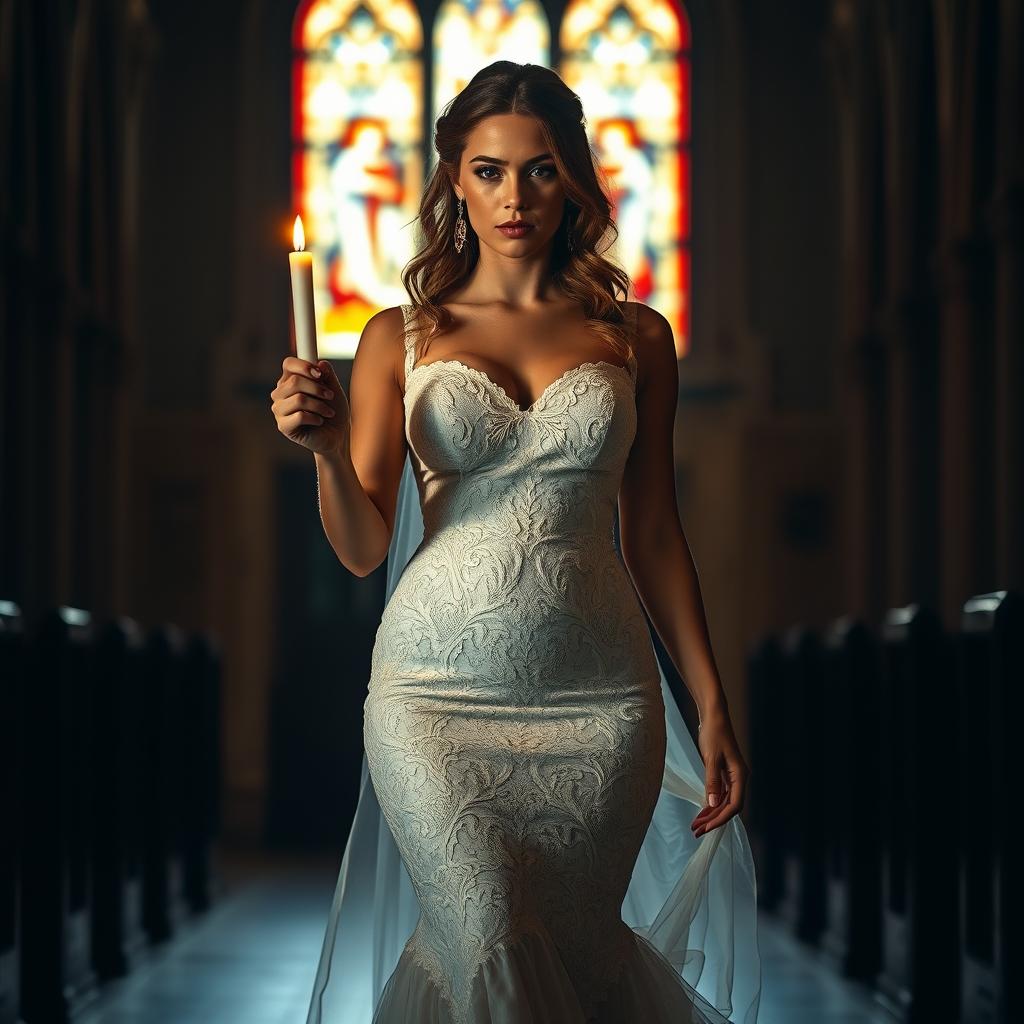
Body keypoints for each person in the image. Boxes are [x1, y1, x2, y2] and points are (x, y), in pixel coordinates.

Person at [271, 61, 761, 1024]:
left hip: (603, 701)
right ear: (455, 176)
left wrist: (708, 702)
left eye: (540, 171)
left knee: (573, 960)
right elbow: (364, 549)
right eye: (489, 171)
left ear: (573, 179)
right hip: (432, 698)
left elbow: (655, 532)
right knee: (489, 934)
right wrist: (327, 452)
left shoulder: (635, 338)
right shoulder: (396, 337)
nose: (514, 196)